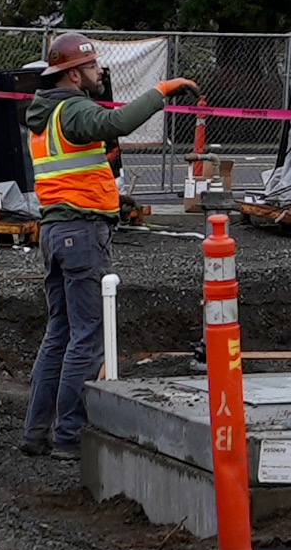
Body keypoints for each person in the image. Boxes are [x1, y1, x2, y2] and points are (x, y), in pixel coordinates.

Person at [19, 33, 201, 459]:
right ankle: (69, 437)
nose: (100, 71)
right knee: (86, 337)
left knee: (59, 334)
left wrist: (111, 197)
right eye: (93, 64)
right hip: (81, 234)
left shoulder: (45, 114)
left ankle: (35, 433)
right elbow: (115, 124)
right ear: (73, 72)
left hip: (58, 229)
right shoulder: (74, 108)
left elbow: (72, 173)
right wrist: (162, 92)